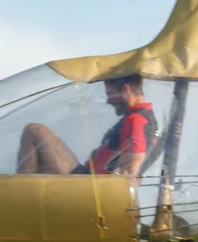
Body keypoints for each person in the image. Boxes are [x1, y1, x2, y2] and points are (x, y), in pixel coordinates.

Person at [16, 75, 157, 176]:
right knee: (41, 163)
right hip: (86, 176)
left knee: (34, 131)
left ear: (125, 90)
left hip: (88, 186)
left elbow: (132, 167)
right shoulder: (140, 117)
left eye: (110, 94)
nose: (108, 101)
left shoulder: (137, 120)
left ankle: (20, 197)